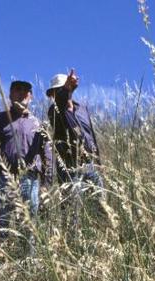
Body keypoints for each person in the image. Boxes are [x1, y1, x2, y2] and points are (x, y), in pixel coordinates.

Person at [0, 80, 52, 238]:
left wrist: (47, 183)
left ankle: (28, 262)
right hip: (3, 178)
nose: (22, 93)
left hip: (30, 180)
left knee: (28, 230)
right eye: (18, 89)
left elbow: (47, 156)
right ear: (10, 95)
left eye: (26, 90)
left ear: (30, 96)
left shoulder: (38, 124)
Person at [46, 69, 105, 205]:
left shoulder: (82, 109)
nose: (61, 92)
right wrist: (65, 89)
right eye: (58, 90)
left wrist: (98, 161)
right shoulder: (54, 110)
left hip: (89, 162)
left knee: (100, 204)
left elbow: (91, 136)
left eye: (66, 87)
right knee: (72, 206)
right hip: (68, 164)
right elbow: (61, 100)